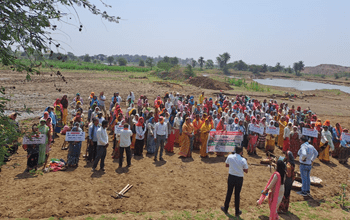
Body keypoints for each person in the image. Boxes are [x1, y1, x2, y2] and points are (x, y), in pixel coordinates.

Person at [221, 146, 248, 217]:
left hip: (231, 176)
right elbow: (246, 171)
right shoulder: (243, 160)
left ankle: (226, 208)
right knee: (237, 194)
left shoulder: (230, 156)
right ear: (241, 152)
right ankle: (237, 211)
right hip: (239, 178)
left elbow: (227, 165)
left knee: (229, 192)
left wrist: (233, 166)